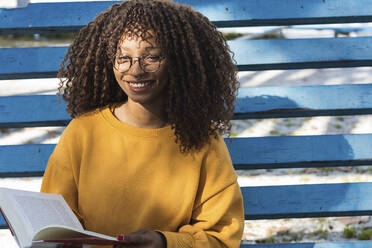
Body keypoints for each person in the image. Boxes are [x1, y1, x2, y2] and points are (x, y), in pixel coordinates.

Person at [40, 0, 244, 247]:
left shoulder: (203, 140)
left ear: (179, 61)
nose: (135, 70)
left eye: (152, 57)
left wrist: (164, 242)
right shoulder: (83, 132)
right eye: (123, 57)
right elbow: (53, 218)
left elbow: (220, 235)